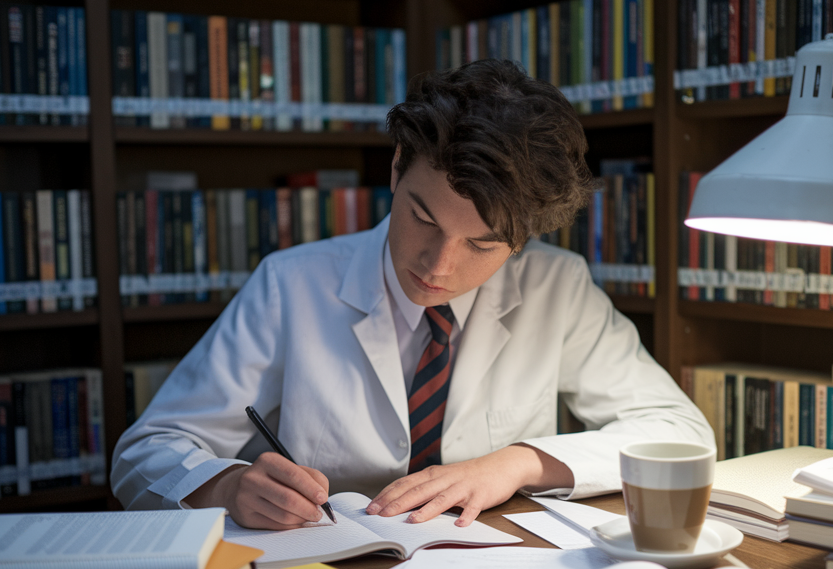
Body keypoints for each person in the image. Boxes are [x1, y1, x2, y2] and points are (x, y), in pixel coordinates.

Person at [111, 59, 714, 530]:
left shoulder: (558, 286)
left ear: (523, 239)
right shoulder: (290, 284)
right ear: (397, 167)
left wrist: (515, 464)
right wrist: (223, 486)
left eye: (481, 245)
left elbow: (680, 434)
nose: (438, 265)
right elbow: (146, 451)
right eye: (424, 217)